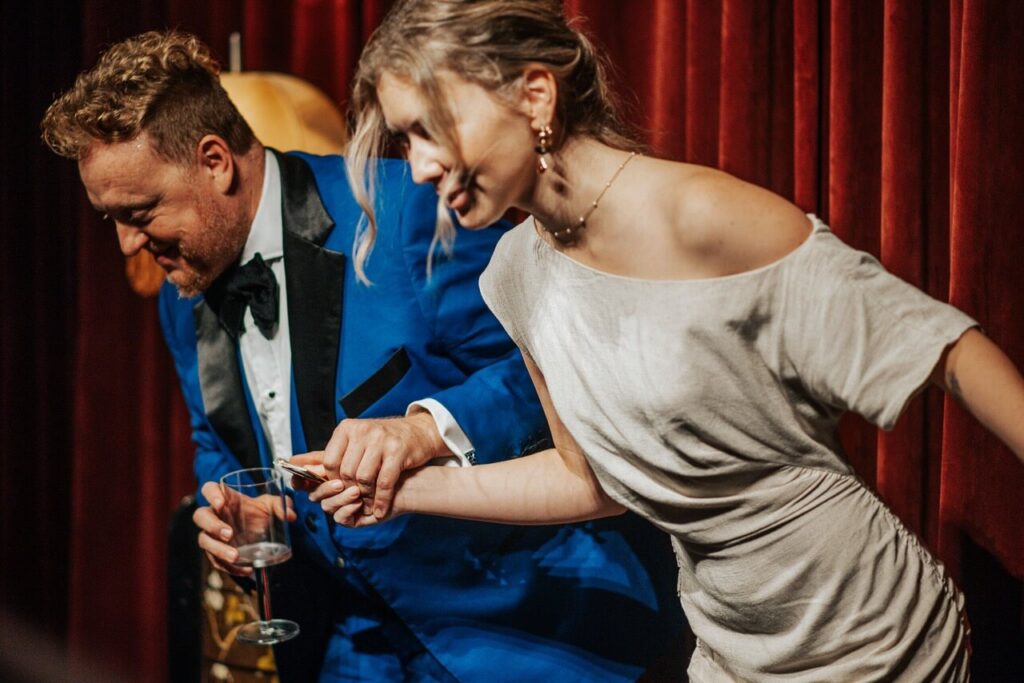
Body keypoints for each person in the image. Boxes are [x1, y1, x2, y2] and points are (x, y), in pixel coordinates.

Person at [303, 0, 1024, 680]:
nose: (420, 166)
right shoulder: (513, 274)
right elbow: (586, 480)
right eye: (408, 139)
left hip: (875, 639)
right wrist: (405, 491)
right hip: (729, 649)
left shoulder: (693, 214)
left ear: (535, 96)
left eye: (431, 127)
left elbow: (947, 350)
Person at [40, 30, 686, 682]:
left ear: (215, 161)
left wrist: (423, 429)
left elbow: (546, 369)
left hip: (513, 623)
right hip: (341, 642)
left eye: (140, 211)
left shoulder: (405, 210)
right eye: (110, 219)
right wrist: (240, 511)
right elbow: (215, 440)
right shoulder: (179, 293)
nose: (127, 245)